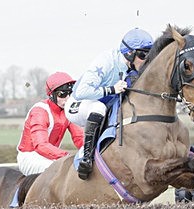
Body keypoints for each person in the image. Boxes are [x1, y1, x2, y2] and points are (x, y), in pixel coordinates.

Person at [66, 28, 154, 180]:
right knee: (98, 107)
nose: (146, 60)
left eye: (149, 55)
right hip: (78, 105)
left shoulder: (133, 68)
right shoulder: (106, 61)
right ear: (129, 53)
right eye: (142, 55)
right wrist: (112, 89)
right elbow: (82, 92)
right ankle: (86, 158)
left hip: (103, 105)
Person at [17, 72, 84, 176]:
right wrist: (66, 155)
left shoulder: (68, 111)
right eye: (62, 94)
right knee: (59, 173)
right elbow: (41, 145)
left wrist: (91, 152)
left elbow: (79, 137)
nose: (67, 99)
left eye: (70, 93)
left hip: (51, 156)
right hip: (31, 157)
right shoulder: (40, 111)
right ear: (51, 95)